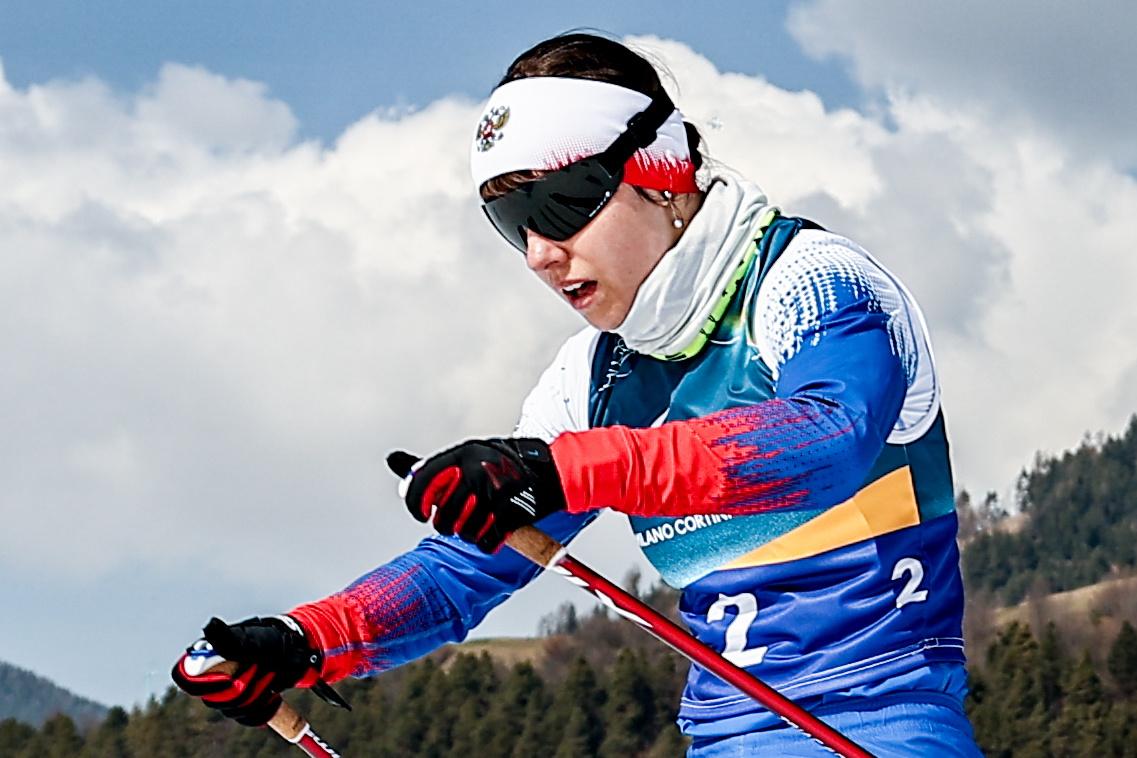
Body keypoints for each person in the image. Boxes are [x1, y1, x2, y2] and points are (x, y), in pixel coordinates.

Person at [173, 33, 982, 756]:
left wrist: (560, 470)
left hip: (875, 724)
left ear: (660, 174)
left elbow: (831, 435)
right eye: (511, 223)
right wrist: (300, 642)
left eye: (557, 206)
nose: (538, 253)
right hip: (723, 737)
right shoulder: (592, 379)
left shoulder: (809, 281)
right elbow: (467, 567)